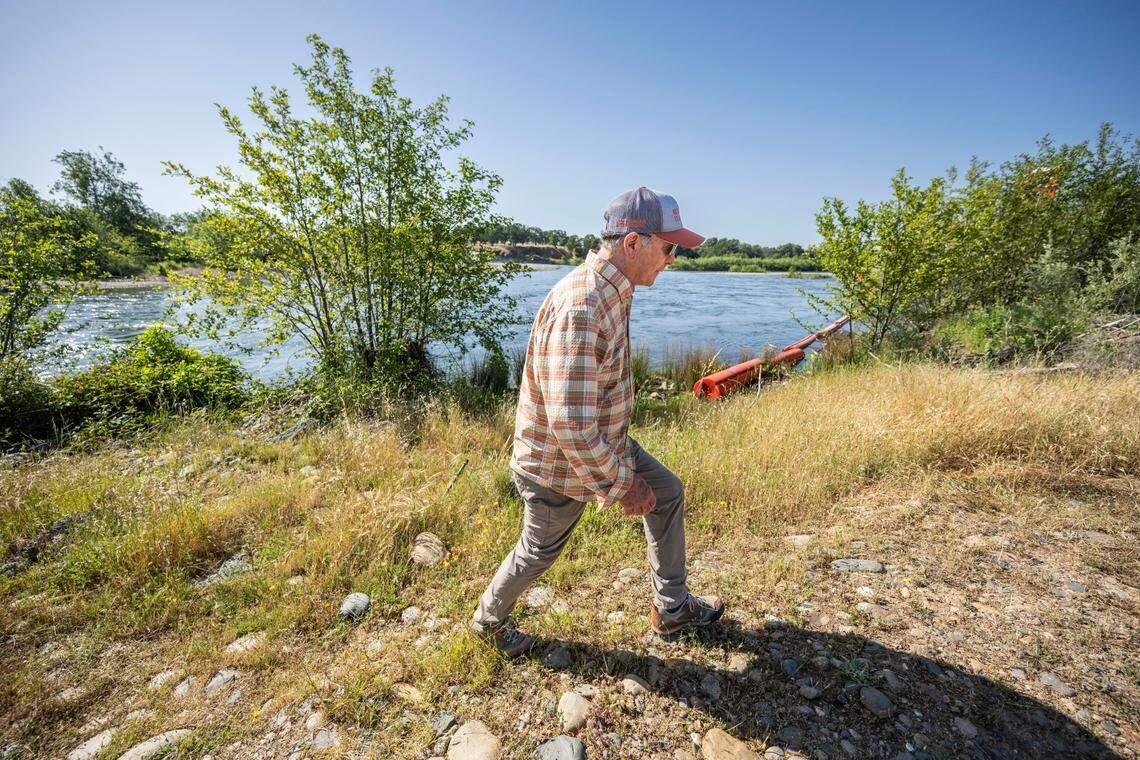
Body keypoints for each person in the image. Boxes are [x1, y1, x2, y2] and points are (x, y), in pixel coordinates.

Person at [470, 187, 725, 657]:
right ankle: (487, 622)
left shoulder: (612, 290)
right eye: (669, 248)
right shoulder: (584, 305)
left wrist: (628, 471)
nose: (672, 259)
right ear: (633, 242)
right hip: (557, 466)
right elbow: (570, 426)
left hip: (605, 446)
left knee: (666, 492)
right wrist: (625, 485)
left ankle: (671, 610)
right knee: (538, 550)